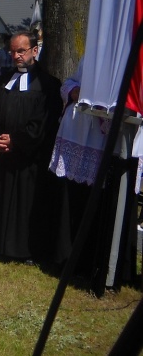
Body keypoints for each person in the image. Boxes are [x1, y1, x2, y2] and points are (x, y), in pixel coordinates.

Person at [49, 57, 140, 293]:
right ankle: (64, 257)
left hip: (100, 138)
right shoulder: (90, 58)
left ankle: (87, 262)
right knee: (70, 199)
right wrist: (75, 91)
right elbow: (69, 83)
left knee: (94, 201)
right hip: (75, 132)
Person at [0, 31, 62, 263]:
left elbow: (44, 122)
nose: (16, 56)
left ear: (34, 51)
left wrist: (16, 141)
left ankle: (22, 250)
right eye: (12, 51)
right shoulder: (0, 80)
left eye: (21, 51)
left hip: (29, 158)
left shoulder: (48, 85)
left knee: (25, 203)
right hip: (1, 155)